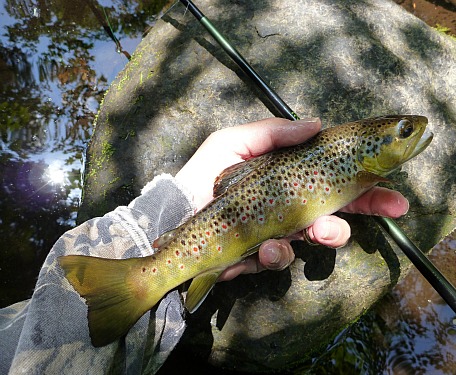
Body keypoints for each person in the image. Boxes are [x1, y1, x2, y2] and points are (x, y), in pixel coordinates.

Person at [0, 117, 409, 374]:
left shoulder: (358, 168)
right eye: (402, 132)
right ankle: (142, 284)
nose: (413, 132)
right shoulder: (355, 164)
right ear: (367, 149)